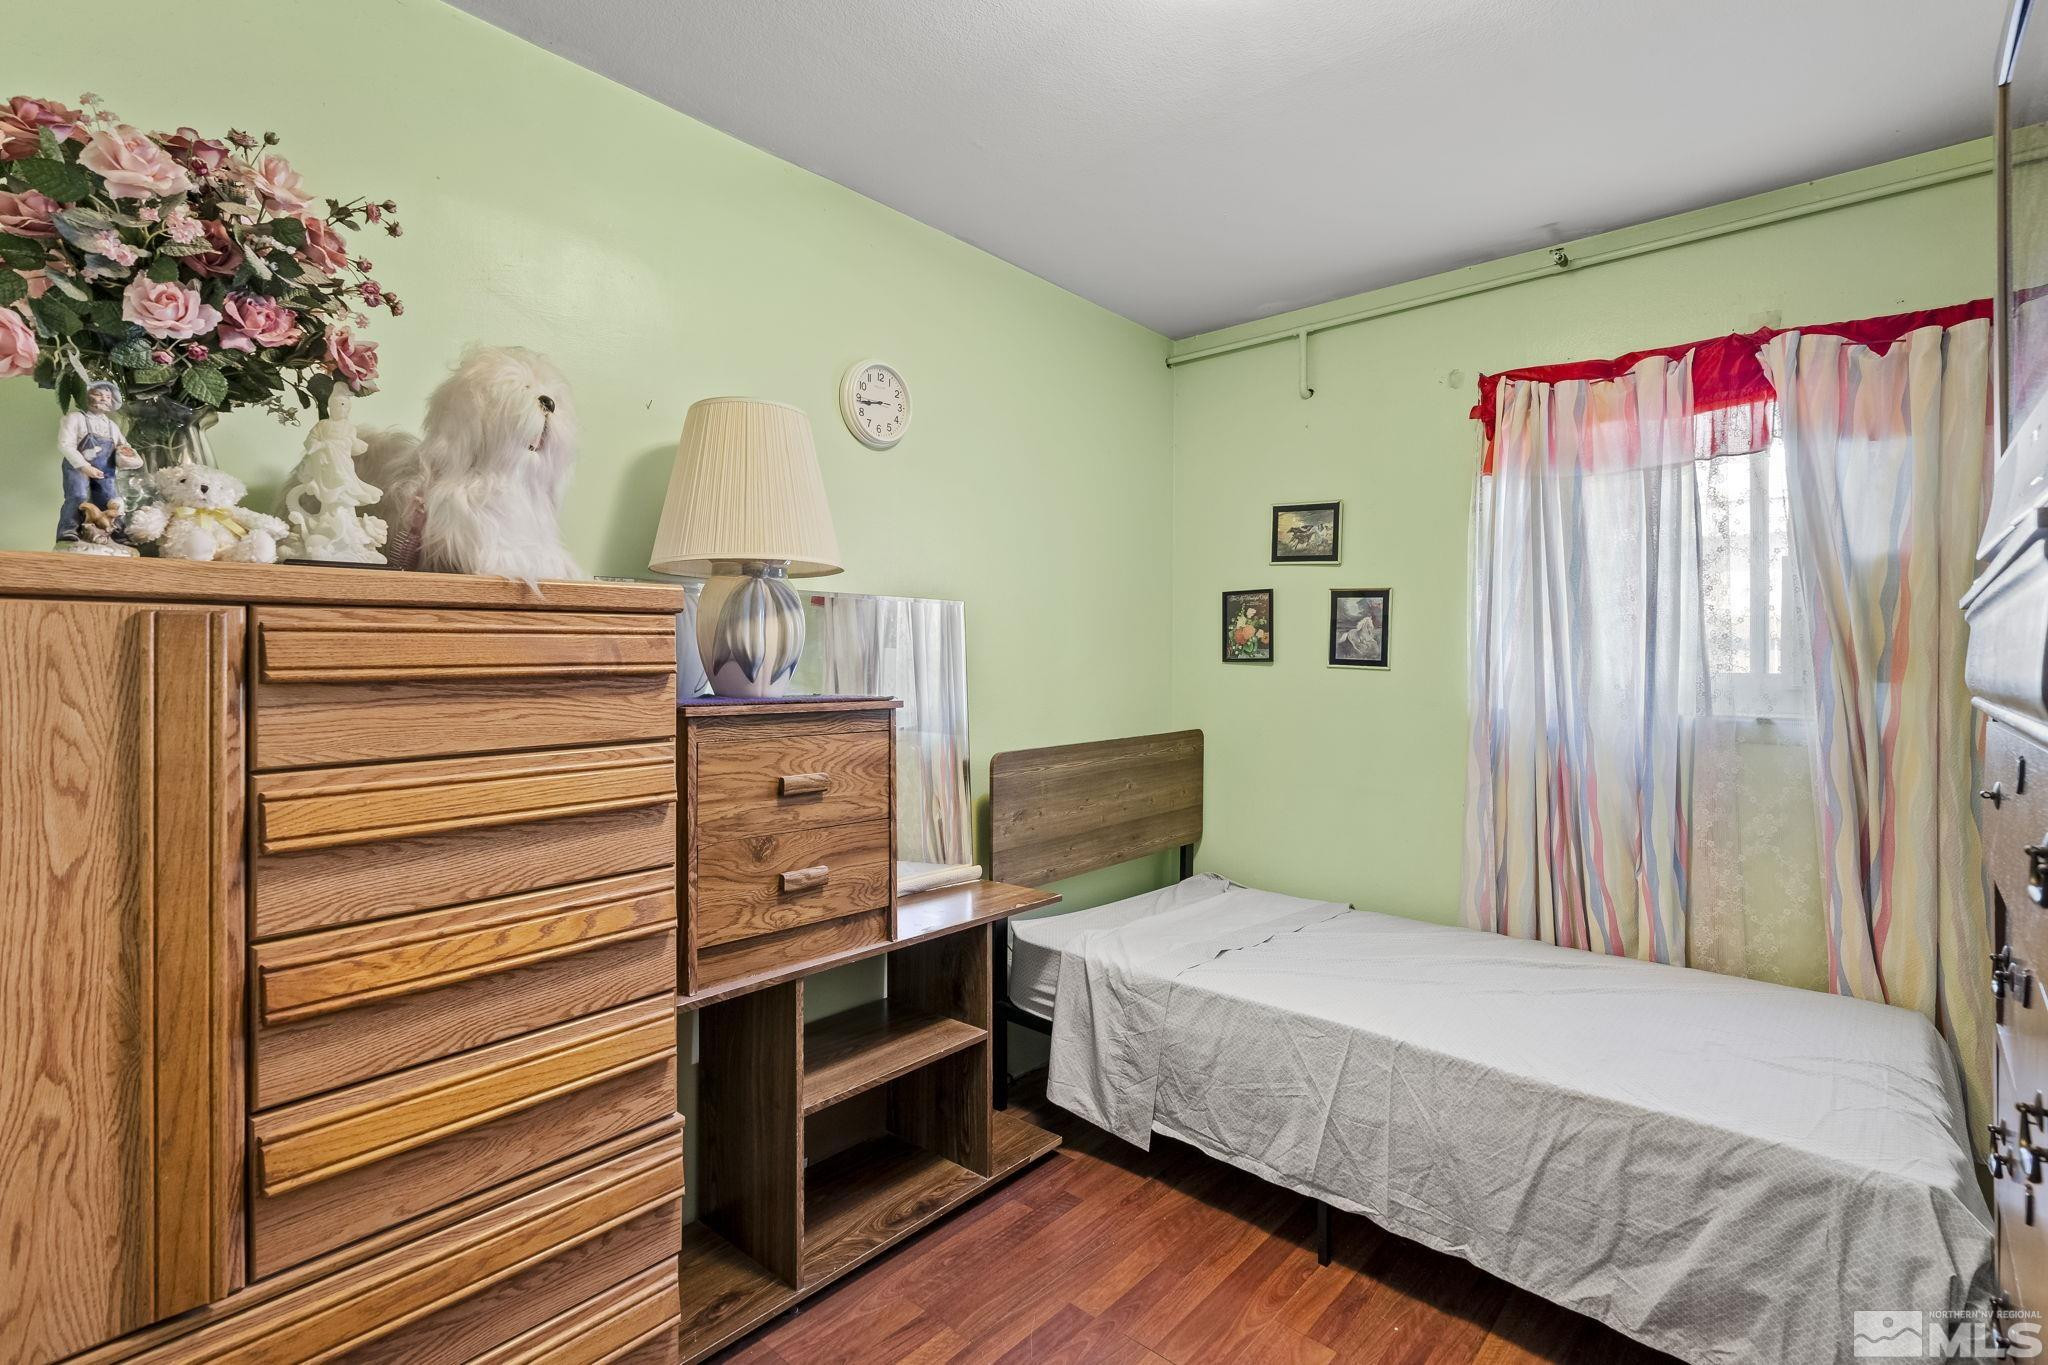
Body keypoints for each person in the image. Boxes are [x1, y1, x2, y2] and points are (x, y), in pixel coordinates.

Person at [56, 381, 141, 544]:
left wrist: (127, 454)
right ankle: (69, 529)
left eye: (107, 397)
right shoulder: (74, 418)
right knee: (77, 495)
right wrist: (85, 467)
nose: (103, 399)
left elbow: (123, 446)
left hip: (105, 471)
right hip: (78, 467)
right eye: (98, 394)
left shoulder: (112, 426)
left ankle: (117, 533)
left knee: (110, 499)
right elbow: (65, 445)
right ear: (86, 396)